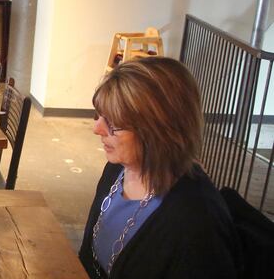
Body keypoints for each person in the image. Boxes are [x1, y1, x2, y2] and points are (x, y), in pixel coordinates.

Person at [80, 57, 241, 278]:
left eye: (113, 123)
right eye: (99, 115)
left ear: (158, 131)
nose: (97, 129)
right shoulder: (116, 171)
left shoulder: (196, 223)